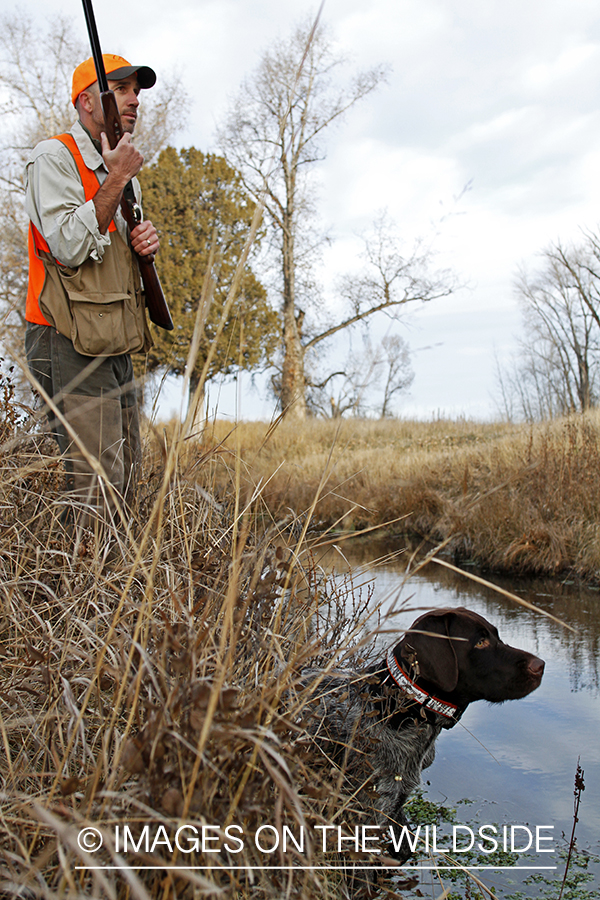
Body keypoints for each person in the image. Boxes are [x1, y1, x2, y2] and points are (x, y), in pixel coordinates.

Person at [24, 53, 160, 538]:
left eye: (137, 92)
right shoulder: (53, 157)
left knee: (120, 486)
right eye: (122, 90)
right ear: (87, 101)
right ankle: (73, 606)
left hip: (113, 344)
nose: (134, 101)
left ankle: (112, 604)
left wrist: (143, 244)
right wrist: (118, 178)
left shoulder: (123, 170)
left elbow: (110, 255)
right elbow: (66, 244)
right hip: (68, 341)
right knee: (92, 492)